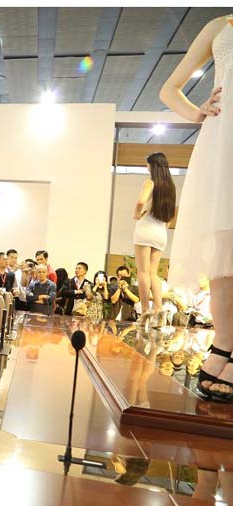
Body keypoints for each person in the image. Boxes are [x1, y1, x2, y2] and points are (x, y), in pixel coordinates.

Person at [160, 14, 233, 400]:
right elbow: (169, 89)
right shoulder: (220, 25)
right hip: (223, 138)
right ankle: (224, 341)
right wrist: (197, 113)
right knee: (224, 247)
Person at [133, 152, 176, 327]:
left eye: (148, 165)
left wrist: (137, 214)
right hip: (161, 231)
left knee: (143, 272)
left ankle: (145, 311)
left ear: (153, 166)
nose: (147, 168)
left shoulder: (150, 182)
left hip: (146, 229)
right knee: (153, 272)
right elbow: (171, 215)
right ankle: (159, 309)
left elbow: (140, 202)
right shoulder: (170, 187)